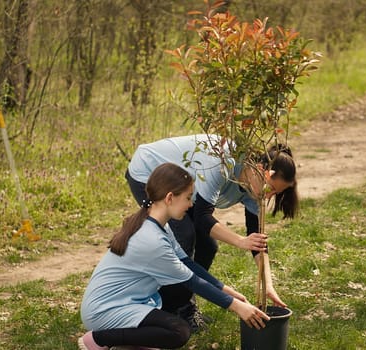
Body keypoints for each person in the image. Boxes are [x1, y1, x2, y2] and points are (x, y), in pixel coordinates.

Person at [79, 163, 269, 350]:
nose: (191, 204)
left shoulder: (160, 224)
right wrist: (237, 307)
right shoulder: (152, 240)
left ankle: (131, 342)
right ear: (170, 198)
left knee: (168, 327)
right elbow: (192, 281)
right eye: (187, 198)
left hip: (126, 302)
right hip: (104, 311)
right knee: (179, 332)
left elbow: (187, 263)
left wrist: (226, 290)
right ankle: (98, 339)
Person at [125, 134, 297, 332]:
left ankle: (182, 306)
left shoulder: (253, 191)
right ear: (261, 171)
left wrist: (268, 285)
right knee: (184, 238)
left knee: (208, 246)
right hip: (149, 171)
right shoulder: (223, 163)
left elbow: (257, 241)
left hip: (184, 190)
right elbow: (202, 217)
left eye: (275, 194)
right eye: (271, 189)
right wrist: (240, 241)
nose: (269, 196)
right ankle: (168, 310)